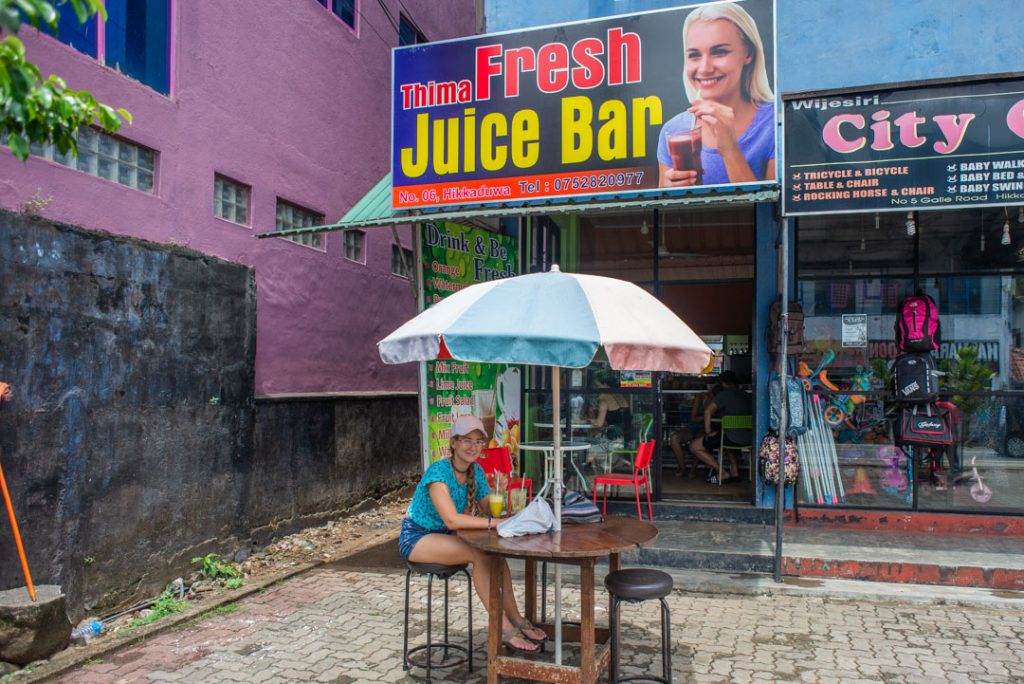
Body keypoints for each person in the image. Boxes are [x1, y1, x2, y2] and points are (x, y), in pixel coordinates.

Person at [399, 415, 546, 654]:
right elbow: (451, 519)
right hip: (417, 537)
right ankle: (503, 627)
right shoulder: (438, 472)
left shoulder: (475, 472)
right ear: (454, 443)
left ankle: (516, 618)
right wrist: (495, 522)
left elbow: (489, 508)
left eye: (478, 442)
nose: (473, 447)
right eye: (467, 440)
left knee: (496, 554)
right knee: (478, 554)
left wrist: (500, 489)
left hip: (447, 536)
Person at [657, 2, 775, 187]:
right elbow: (665, 213)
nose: (705, 68)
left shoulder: (776, 123)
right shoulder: (673, 130)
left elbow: (770, 212)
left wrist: (729, 149)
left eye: (719, 52)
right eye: (694, 55)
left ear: (748, 54)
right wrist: (669, 194)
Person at [688, 371, 752, 484]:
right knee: (725, 439)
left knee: (694, 446)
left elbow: (707, 412)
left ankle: (722, 472)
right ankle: (735, 471)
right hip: (748, 438)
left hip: (730, 437)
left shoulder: (724, 394)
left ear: (722, 383)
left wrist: (708, 432)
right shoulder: (746, 395)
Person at [669, 382, 721, 477]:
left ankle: (693, 470)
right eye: (711, 395)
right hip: (693, 427)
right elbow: (693, 418)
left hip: (707, 429)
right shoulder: (700, 397)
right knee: (674, 438)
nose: (711, 397)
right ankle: (682, 467)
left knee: (699, 441)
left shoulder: (720, 401)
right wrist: (707, 415)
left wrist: (708, 417)